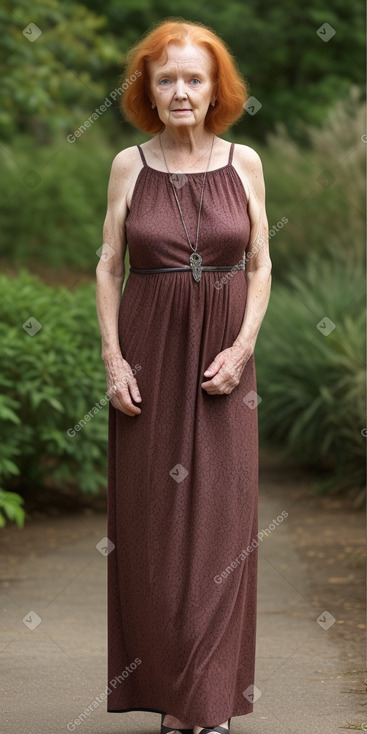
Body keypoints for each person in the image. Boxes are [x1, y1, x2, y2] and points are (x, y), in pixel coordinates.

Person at [96, 17, 272, 734]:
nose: (178, 91)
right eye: (164, 78)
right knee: (153, 536)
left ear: (214, 88)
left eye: (192, 78)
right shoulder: (128, 164)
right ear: (147, 87)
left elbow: (260, 264)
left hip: (223, 364)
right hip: (145, 360)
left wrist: (242, 348)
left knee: (222, 531)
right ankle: (171, 692)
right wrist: (111, 359)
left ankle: (203, 701)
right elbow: (109, 264)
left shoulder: (245, 161)